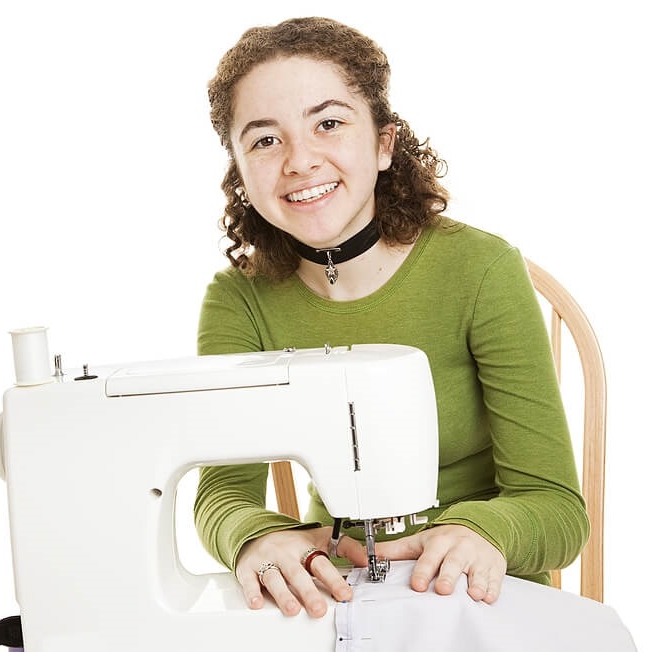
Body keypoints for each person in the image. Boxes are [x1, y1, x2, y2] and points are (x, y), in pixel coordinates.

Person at [193, 16, 589, 620]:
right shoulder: (239, 301)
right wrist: (256, 536)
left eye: (328, 123)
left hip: (485, 596)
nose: (299, 161)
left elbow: (559, 511)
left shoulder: (480, 269)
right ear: (240, 173)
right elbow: (222, 493)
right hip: (343, 593)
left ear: (384, 143)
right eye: (265, 140)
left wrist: (480, 531)